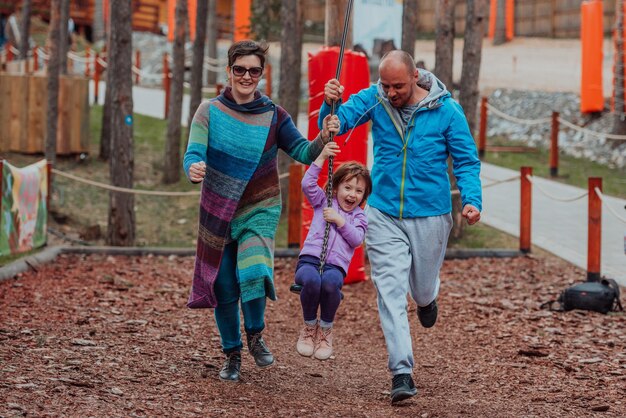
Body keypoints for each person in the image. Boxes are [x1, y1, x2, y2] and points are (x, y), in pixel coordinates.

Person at [320, 49, 482, 403]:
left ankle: (427, 298)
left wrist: (472, 200)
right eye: (386, 85)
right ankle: (401, 372)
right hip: (383, 212)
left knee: (420, 289)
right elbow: (338, 123)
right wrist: (329, 104)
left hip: (431, 214)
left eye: (397, 86)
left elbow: (467, 161)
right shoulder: (375, 100)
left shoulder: (446, 111)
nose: (390, 93)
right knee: (389, 289)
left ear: (414, 77)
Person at [183, 40, 340, 383]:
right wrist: (193, 166)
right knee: (223, 285)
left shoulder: (273, 114)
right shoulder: (208, 111)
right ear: (229, 71)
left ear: (261, 73)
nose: (246, 76)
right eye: (240, 69)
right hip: (219, 209)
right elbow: (192, 153)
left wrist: (323, 135)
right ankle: (232, 353)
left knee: (252, 271)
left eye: (254, 70)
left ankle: (255, 334)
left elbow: (302, 150)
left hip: (260, 207)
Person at [295, 142, 371, 361]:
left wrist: (339, 221)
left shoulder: (359, 216)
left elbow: (357, 239)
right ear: (336, 187)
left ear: (364, 195)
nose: (352, 194)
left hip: (335, 267)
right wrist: (321, 157)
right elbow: (308, 183)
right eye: (348, 188)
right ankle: (309, 327)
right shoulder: (323, 202)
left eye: (359, 191)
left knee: (330, 284)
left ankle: (325, 329)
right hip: (309, 261)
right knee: (311, 280)